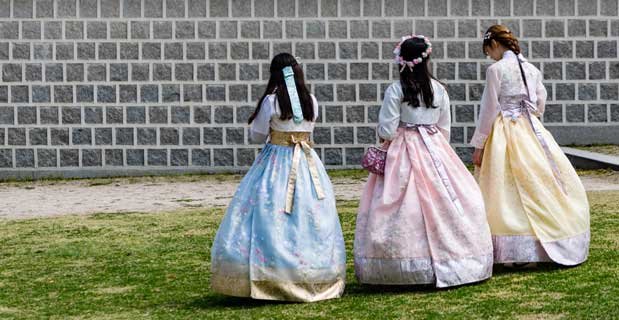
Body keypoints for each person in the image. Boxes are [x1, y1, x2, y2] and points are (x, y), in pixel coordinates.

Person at [354, 35, 493, 288]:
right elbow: (445, 128)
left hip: (403, 147)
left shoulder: (396, 89)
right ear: (427, 59)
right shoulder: (439, 89)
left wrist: (392, 134)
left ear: (401, 60)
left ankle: (404, 264)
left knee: (401, 202)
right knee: (446, 196)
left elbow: (386, 129)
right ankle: (455, 259)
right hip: (435, 145)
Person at [210, 53, 346, 302]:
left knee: (270, 211)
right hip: (306, 161)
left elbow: (257, 135)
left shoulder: (271, 102)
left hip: (276, 161)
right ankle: (312, 272)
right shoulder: (311, 101)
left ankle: (270, 273)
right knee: (308, 214)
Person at [471, 25, 590, 267]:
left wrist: (480, 143)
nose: (489, 57)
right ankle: (546, 239)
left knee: (505, 187)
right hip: (531, 130)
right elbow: (539, 104)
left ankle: (513, 245)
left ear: (494, 45)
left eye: (488, 51)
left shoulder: (496, 70)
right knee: (537, 182)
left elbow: (488, 109)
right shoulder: (531, 69)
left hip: (505, 129)